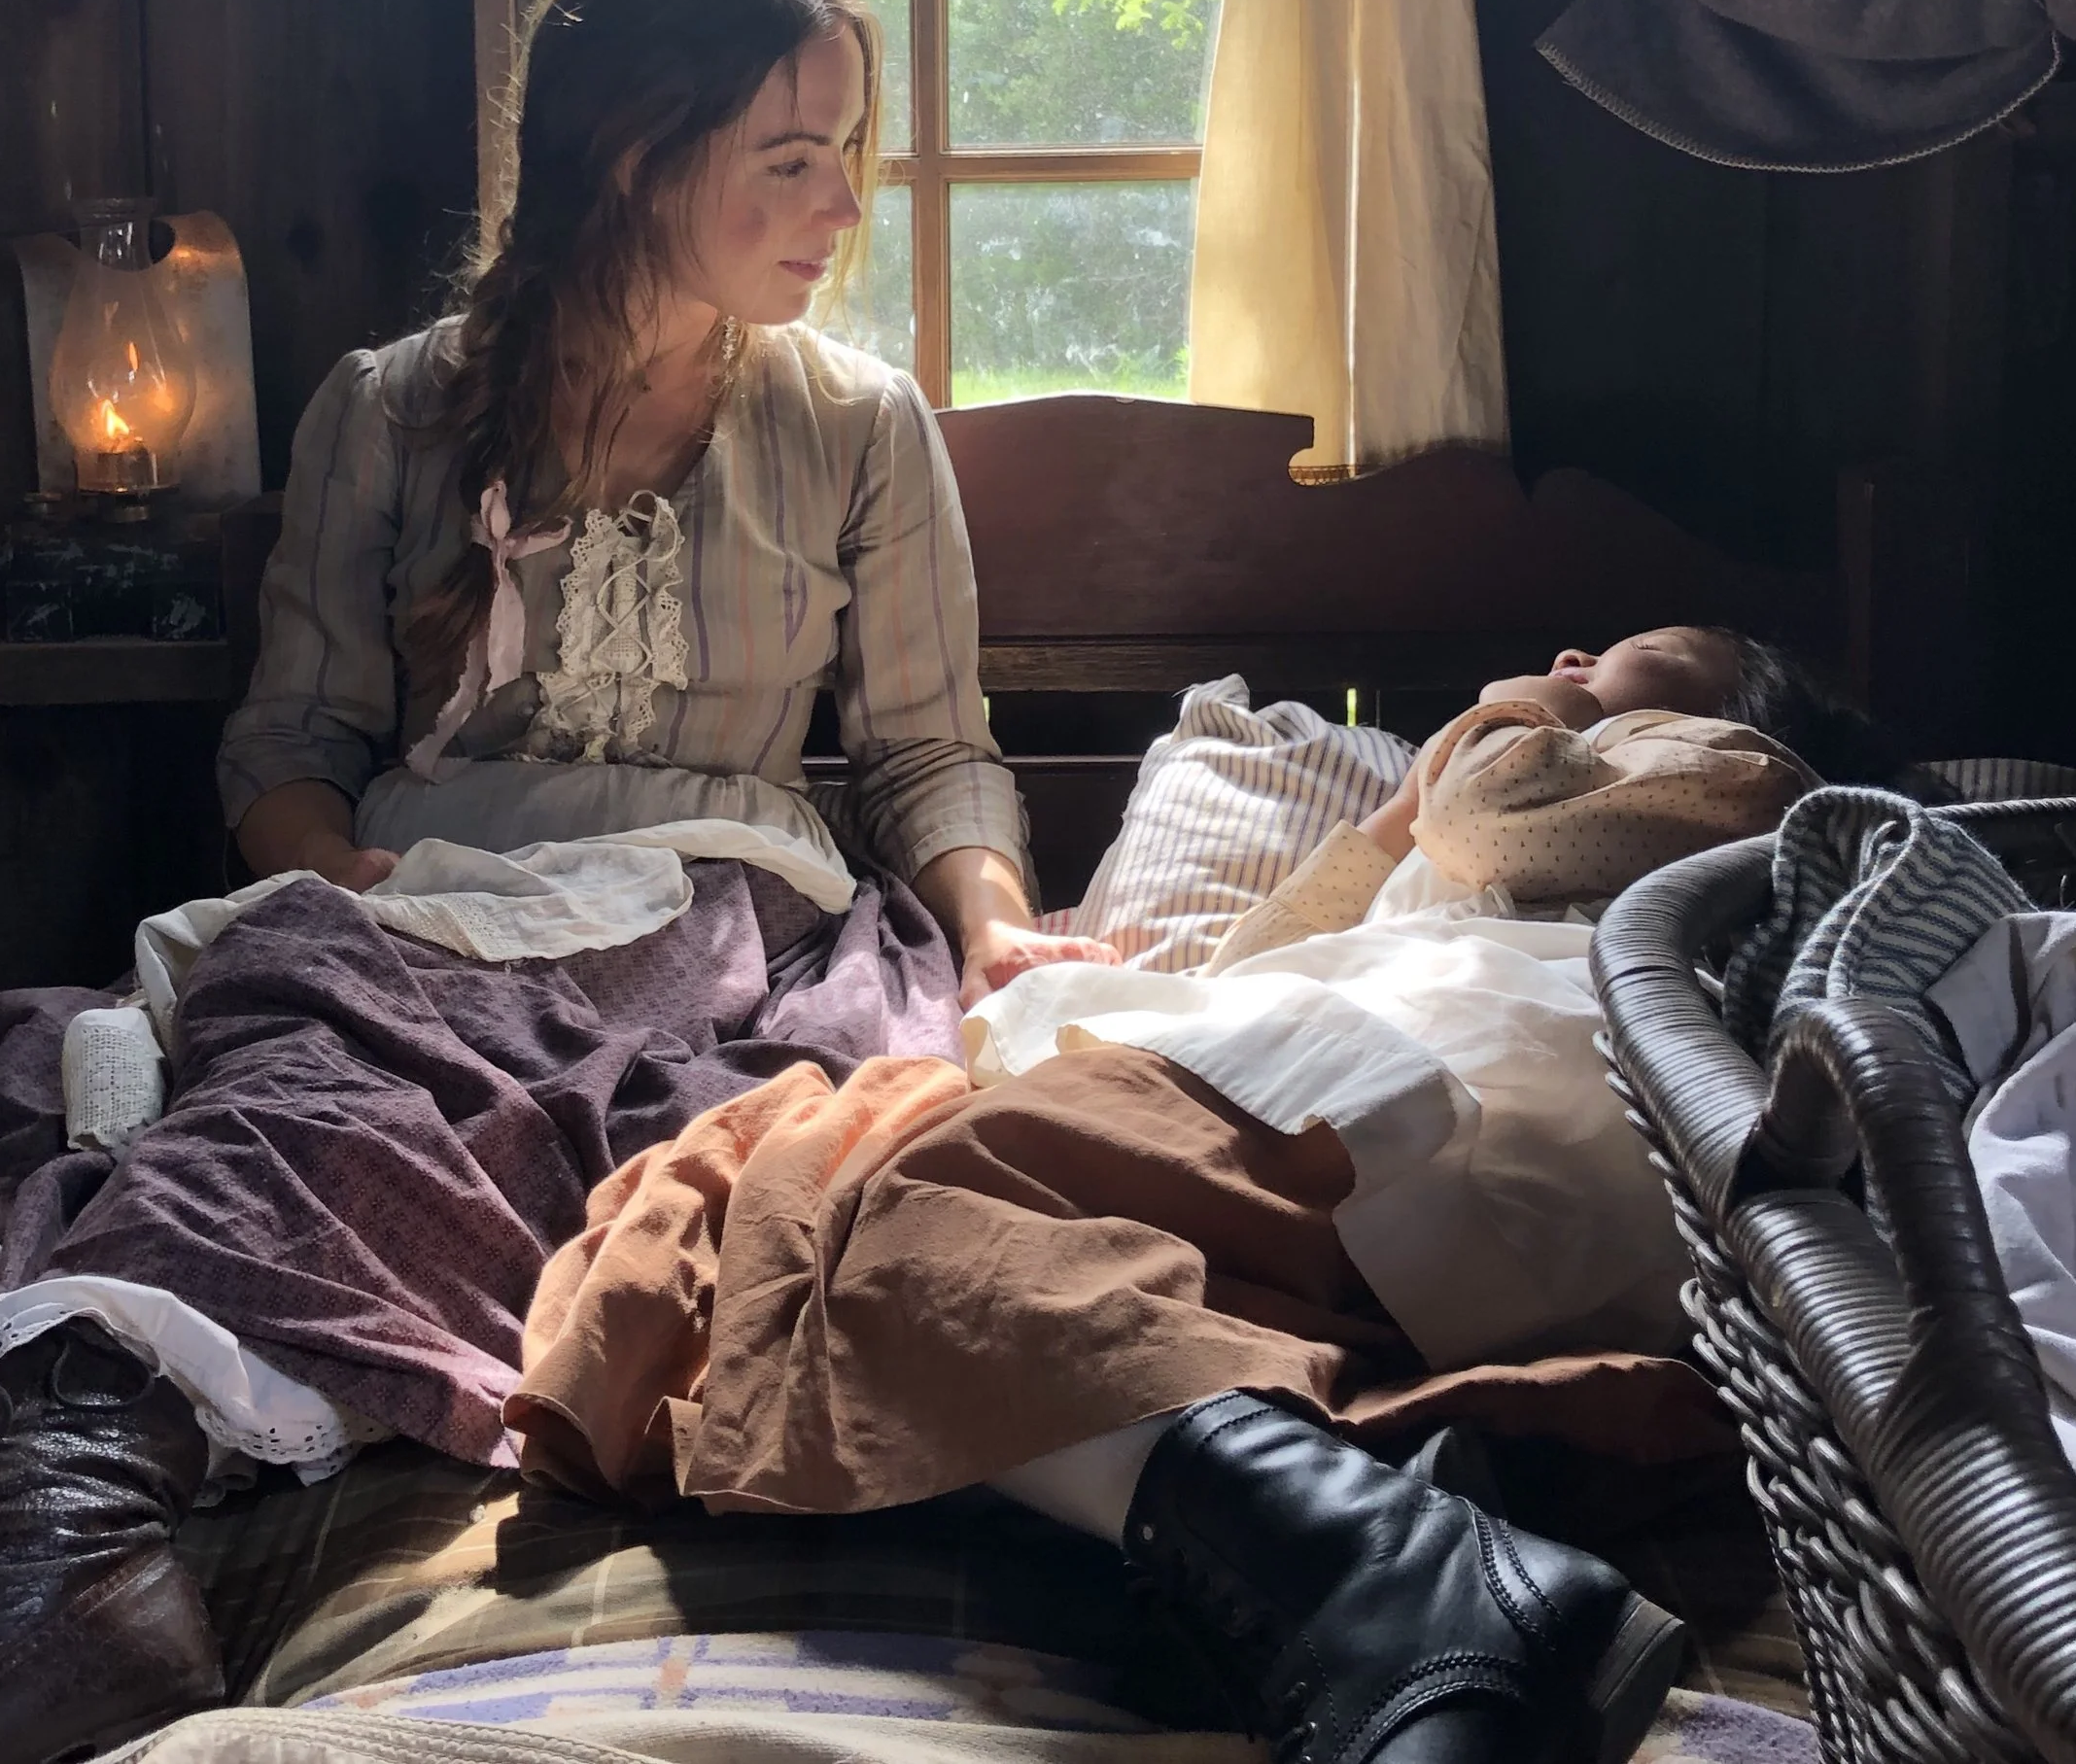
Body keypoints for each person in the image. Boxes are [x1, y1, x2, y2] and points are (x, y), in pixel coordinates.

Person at [0, 0, 1114, 1764]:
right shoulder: (397, 407)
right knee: (58, 1075)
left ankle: (60, 1532)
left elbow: (927, 752)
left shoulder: (856, 428)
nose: (843, 204)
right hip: (408, 892)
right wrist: (344, 905)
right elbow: (290, 748)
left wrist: (993, 931)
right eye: (792, 158)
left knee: (325, 1101)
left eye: (852, 155)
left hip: (710, 904)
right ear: (635, 155)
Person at [502, 628, 1863, 1764]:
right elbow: (1261, 953)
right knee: (856, 1269)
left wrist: (1514, 712)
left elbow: (1484, 813)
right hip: (1379, 1118)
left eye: (1632, 651)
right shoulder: (1500, 813)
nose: (1573, 653)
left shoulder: (1743, 779)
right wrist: (1388, 821)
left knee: (920, 1206)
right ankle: (1372, 1517)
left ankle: (1394, 1568)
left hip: (1466, 1089)